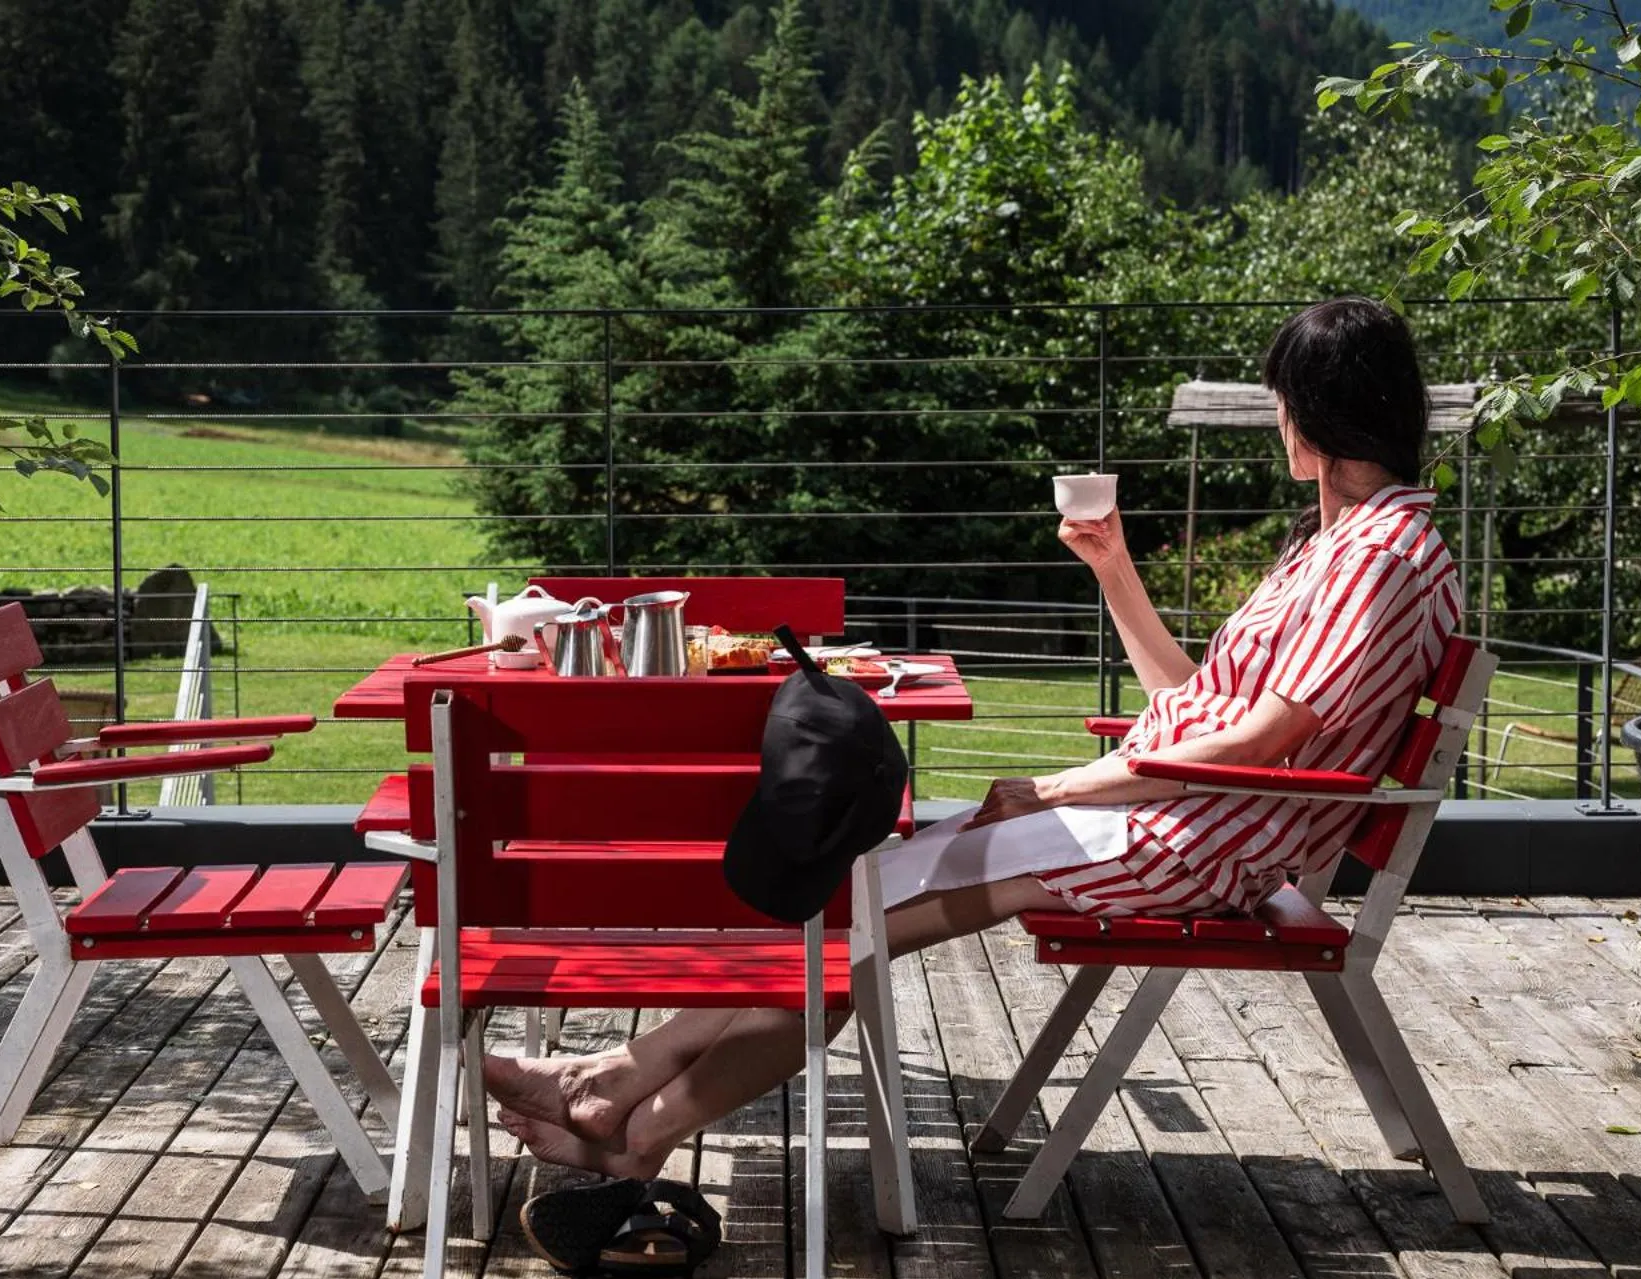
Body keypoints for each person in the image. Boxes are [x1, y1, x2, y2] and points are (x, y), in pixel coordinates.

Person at [483, 294, 1460, 1180]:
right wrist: (1113, 570)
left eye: (1281, 397)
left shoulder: (1375, 556)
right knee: (852, 902)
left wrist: (1066, 787)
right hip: (1182, 815)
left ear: (1319, 409)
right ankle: (625, 1110)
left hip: (1197, 843)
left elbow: (1259, 741)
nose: (1274, 418)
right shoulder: (1338, 542)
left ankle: (619, 1099)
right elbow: (1199, 700)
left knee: (848, 920)